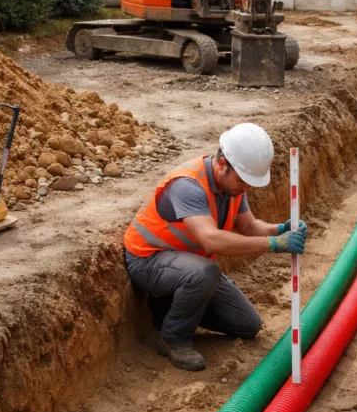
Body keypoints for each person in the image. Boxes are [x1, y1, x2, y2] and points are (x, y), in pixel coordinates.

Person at [123, 123, 308, 371]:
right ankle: (173, 338)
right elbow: (211, 240)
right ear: (222, 165)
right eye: (243, 181)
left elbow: (249, 226)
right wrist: (272, 244)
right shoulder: (188, 186)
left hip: (187, 267)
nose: (247, 188)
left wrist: (278, 230)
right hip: (148, 261)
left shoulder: (232, 186)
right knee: (204, 273)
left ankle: (167, 306)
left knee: (247, 325)